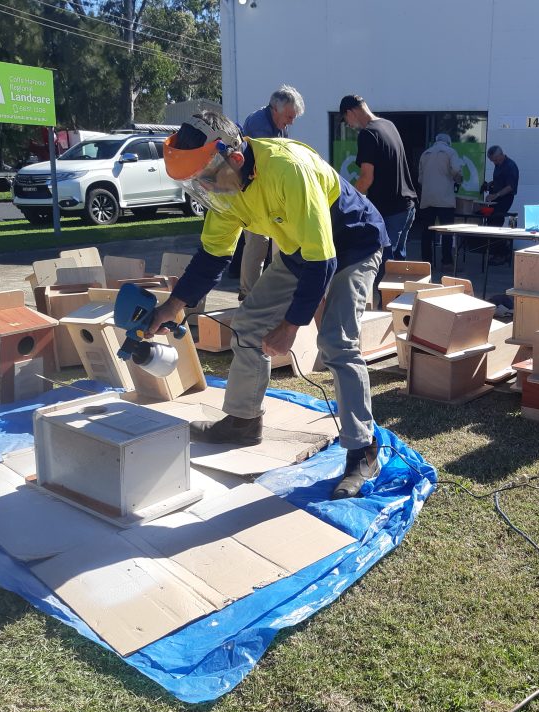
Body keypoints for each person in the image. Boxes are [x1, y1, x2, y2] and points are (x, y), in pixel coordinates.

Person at [151, 111, 389, 500]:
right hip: (302, 250)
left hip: (354, 245)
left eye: (206, 177)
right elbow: (212, 256)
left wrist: (291, 326)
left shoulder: (287, 170)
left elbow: (324, 261)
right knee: (247, 324)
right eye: (196, 183)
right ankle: (243, 422)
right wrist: (172, 307)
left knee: (337, 342)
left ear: (236, 158)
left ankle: (363, 450)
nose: (204, 187)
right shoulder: (225, 191)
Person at [236, 85, 306, 300]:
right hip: (253, 192)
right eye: (289, 116)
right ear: (276, 108)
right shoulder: (259, 124)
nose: (291, 122)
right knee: (258, 241)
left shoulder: (278, 122)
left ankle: (274, 289)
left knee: (278, 238)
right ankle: (248, 293)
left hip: (269, 191)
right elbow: (271, 161)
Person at [339, 94, 417, 264]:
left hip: (391, 211)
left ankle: (389, 292)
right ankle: (400, 292)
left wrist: (346, 202)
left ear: (350, 112)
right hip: (407, 206)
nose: (349, 126)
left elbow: (366, 179)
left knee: (384, 265)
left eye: (346, 121)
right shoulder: (388, 125)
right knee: (397, 266)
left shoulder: (368, 134)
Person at [417, 133, 463, 269]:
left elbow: (420, 179)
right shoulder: (451, 152)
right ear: (448, 142)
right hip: (445, 199)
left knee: (426, 232)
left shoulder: (425, 153)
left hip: (427, 198)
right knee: (447, 231)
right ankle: (446, 262)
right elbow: (456, 170)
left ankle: (427, 262)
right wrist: (458, 178)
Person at [482, 145, 519, 264]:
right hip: (496, 197)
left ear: (501, 155)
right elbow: (499, 180)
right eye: (492, 161)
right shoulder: (498, 165)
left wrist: (496, 195)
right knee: (490, 222)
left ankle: (503, 253)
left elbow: (510, 186)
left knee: (496, 220)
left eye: (496, 160)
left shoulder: (510, 166)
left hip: (505, 198)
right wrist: (489, 185)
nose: (494, 162)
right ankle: (498, 251)